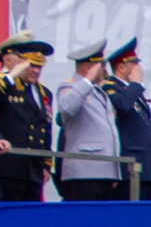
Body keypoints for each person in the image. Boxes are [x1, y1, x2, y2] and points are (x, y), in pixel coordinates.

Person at [0, 37, 54, 202]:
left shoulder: (44, 93)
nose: (36, 71)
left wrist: (46, 164)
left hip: (34, 168)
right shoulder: (5, 84)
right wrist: (11, 76)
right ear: (21, 63)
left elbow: (45, 129)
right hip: (10, 166)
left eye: (39, 66)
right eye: (32, 65)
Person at [53, 45, 125, 200]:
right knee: (82, 220)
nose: (105, 70)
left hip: (105, 170)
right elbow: (66, 107)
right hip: (83, 171)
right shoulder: (70, 85)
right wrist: (86, 80)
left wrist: (114, 170)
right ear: (89, 67)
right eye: (101, 66)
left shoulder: (97, 91)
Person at [106, 42, 151, 198]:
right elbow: (121, 106)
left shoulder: (131, 90)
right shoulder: (111, 88)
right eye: (134, 64)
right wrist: (136, 84)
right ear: (122, 68)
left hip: (145, 169)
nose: (139, 69)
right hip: (129, 168)